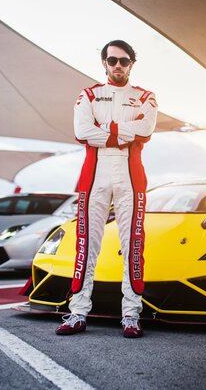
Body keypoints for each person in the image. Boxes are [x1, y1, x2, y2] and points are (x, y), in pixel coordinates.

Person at [55, 40, 157, 338]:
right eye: (112, 60)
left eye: (124, 61)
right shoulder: (88, 94)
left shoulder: (146, 97)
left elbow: (146, 130)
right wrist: (123, 131)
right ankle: (77, 312)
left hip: (131, 177)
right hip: (94, 176)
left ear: (131, 65)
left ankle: (131, 314)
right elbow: (81, 132)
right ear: (104, 63)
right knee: (86, 244)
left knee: (133, 245)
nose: (118, 66)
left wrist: (105, 129)